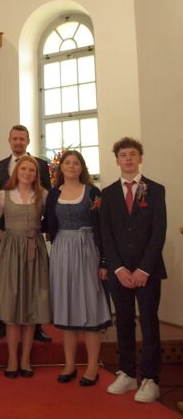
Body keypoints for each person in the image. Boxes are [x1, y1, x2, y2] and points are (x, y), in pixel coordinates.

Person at [101, 137, 166, 403]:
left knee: (149, 323)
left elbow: (158, 232)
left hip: (147, 271)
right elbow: (106, 234)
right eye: (123, 155)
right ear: (117, 160)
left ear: (140, 158)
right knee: (124, 322)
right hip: (120, 272)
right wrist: (117, 268)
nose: (128, 158)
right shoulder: (107, 194)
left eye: (132, 154)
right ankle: (127, 373)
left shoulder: (155, 190)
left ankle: (150, 378)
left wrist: (144, 268)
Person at [44, 150, 111, 386]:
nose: (71, 166)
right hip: (62, 251)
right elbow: (47, 223)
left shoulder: (92, 192)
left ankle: (92, 366)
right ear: (60, 167)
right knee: (66, 306)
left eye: (76, 163)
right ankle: (70, 364)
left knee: (90, 305)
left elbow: (103, 227)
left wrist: (103, 261)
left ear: (82, 167)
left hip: (87, 250)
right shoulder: (54, 194)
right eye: (68, 163)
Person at [0, 156, 51, 378]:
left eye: (31, 170)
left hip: (34, 251)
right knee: (12, 306)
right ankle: (12, 359)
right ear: (16, 171)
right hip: (11, 253)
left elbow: (51, 222)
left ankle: (25, 360)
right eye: (23, 168)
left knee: (31, 304)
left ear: (36, 174)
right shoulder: (3, 195)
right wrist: (7, 239)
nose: (27, 173)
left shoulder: (43, 195)